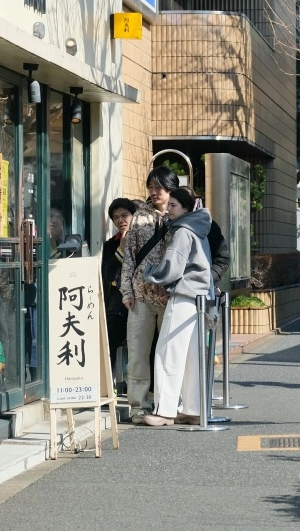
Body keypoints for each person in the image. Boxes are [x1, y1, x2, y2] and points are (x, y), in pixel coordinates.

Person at [142, 187, 214, 425]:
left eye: (173, 205)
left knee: (168, 353)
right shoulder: (199, 228)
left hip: (184, 295)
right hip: (201, 297)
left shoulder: (183, 231)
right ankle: (192, 409)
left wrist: (150, 273)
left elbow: (172, 267)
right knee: (193, 356)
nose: (169, 210)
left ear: (185, 208)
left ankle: (164, 411)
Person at [120, 167, 178, 423]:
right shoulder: (140, 217)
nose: (154, 192)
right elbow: (129, 257)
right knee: (138, 353)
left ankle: (168, 403)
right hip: (141, 297)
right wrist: (126, 291)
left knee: (170, 353)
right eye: (151, 187)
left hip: (170, 297)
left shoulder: (183, 216)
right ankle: (138, 405)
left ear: (171, 188)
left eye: (159, 187)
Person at [101, 198, 138, 389]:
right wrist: (121, 248)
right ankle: (110, 388)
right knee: (110, 343)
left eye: (125, 215)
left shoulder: (144, 238)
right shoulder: (110, 245)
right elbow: (108, 274)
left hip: (141, 302)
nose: (121, 220)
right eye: (116, 217)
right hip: (117, 305)